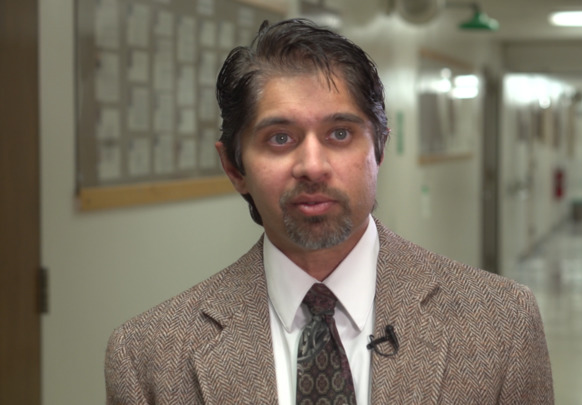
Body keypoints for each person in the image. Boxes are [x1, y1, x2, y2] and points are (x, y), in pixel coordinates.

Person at [105, 19, 553, 405]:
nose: (313, 166)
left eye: (339, 134)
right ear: (234, 168)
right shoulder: (149, 356)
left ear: (379, 149)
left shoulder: (500, 324)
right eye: (280, 138)